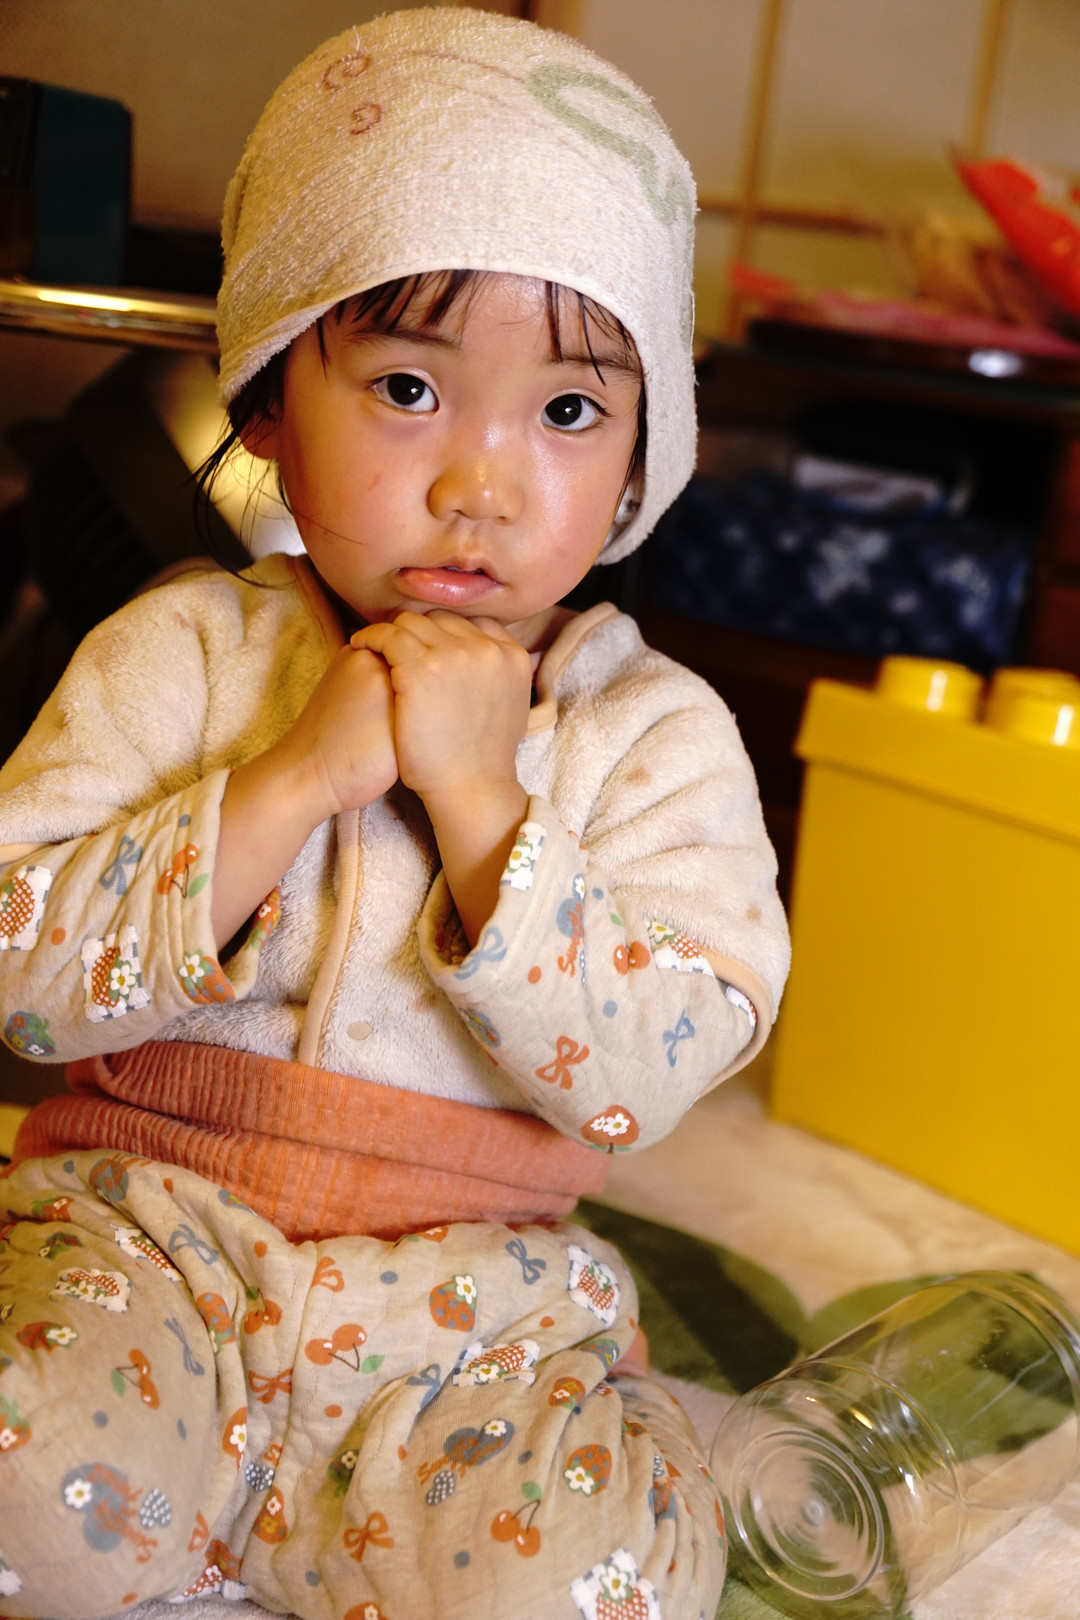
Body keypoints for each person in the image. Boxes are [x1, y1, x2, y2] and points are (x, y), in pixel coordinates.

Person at [0, 11, 789, 1618]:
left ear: (643, 459)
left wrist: (491, 815)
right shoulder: (178, 652)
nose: (481, 483)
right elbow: (20, 979)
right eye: (410, 387)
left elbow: (652, 1079)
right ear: (271, 408)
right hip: (144, 1243)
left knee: (608, 1581)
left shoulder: (656, 740)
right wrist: (288, 781)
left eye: (568, 413)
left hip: (474, 1322)